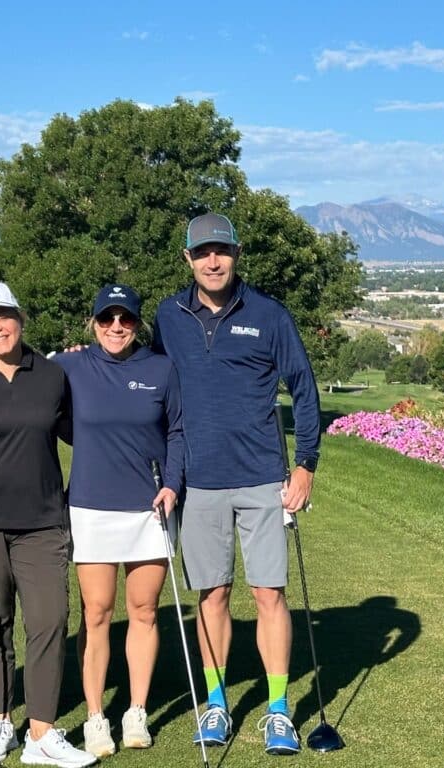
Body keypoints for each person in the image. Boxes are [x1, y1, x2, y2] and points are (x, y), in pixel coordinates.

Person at [151, 212, 322, 757]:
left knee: (269, 593)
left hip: (263, 479)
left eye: (221, 250)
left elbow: (305, 388)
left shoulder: (269, 315)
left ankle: (277, 711)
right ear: (188, 259)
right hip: (198, 483)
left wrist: (306, 464)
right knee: (213, 594)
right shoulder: (167, 316)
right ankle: (218, 703)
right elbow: (143, 376)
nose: (213, 260)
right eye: (202, 253)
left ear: (236, 253)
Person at [0, 282, 95, 768]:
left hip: (43, 523)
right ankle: (2, 722)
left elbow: (80, 433)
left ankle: (42, 734)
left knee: (49, 621)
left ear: (19, 317)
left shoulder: (52, 374)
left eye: (3, 315)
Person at [52, 284, 184, 757]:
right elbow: (19, 374)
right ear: (93, 323)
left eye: (124, 319)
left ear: (136, 323)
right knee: (98, 613)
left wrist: (172, 483)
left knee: (145, 611)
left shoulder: (161, 368)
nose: (115, 327)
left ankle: (136, 712)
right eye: (106, 319)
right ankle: (94, 718)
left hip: (149, 507)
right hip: (90, 506)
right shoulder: (68, 365)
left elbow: (178, 431)